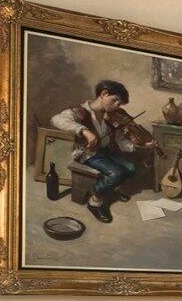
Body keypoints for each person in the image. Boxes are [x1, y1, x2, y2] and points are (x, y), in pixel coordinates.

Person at [50, 79, 154, 223]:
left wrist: (139, 146)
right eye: (115, 100)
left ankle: (110, 191)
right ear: (104, 93)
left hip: (104, 151)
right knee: (116, 172)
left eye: (120, 103)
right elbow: (56, 119)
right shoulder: (80, 111)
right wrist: (83, 130)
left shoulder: (112, 116)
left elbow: (121, 141)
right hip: (87, 153)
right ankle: (95, 202)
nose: (117, 105)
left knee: (131, 168)